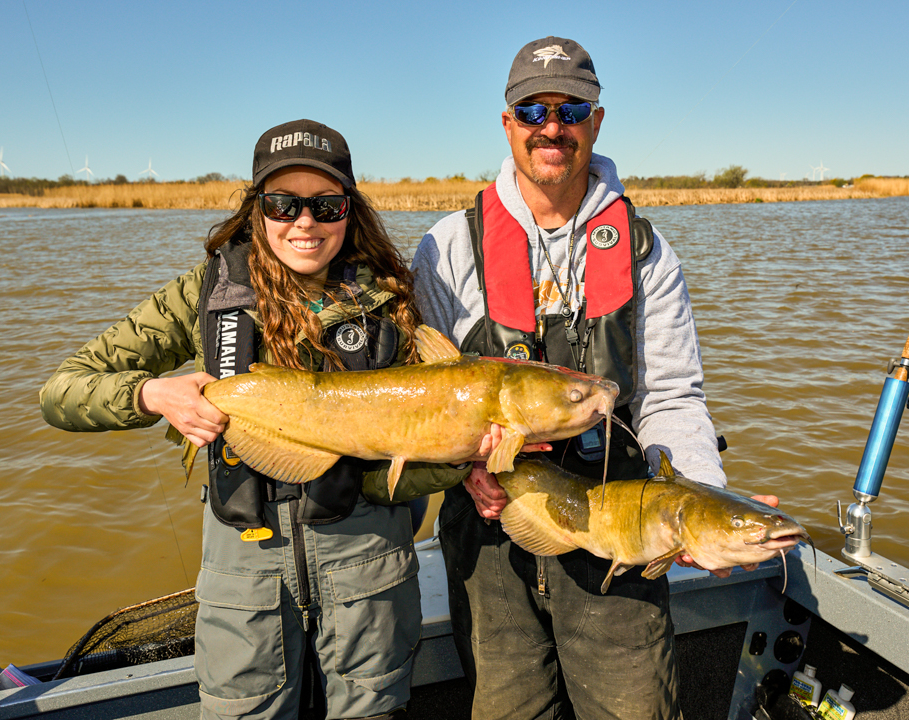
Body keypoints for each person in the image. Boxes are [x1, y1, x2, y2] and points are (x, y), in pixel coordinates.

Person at [40, 119, 471, 720]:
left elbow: (394, 473)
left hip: (369, 573)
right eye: (282, 204)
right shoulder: (201, 293)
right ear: (256, 209)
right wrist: (152, 395)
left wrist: (455, 459)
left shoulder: (394, 301)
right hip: (243, 583)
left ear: (351, 209)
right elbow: (62, 390)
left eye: (325, 204)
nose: (304, 223)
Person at [410, 37, 779, 720]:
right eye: (533, 110)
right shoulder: (445, 248)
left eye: (571, 109)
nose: (552, 126)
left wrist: (700, 497)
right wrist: (464, 469)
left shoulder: (648, 252)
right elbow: (428, 396)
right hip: (490, 538)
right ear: (508, 123)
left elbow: (671, 395)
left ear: (597, 121)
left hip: (621, 526)